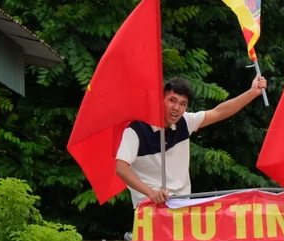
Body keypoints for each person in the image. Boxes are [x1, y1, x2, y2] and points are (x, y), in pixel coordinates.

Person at [115, 75, 268, 207]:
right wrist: (151, 193)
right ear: (160, 100)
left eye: (183, 104)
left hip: (182, 205)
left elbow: (219, 112)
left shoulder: (185, 121)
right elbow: (121, 168)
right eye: (172, 101)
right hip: (150, 208)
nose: (177, 108)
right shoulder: (136, 129)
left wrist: (252, 93)